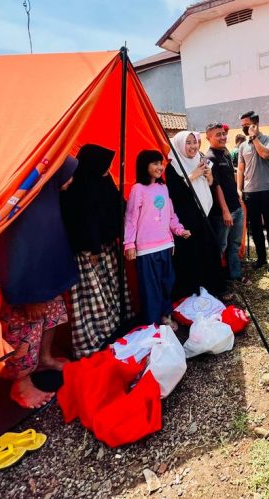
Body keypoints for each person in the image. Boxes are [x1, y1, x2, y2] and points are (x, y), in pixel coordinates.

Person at [0, 155, 80, 408]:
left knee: (54, 314)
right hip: (24, 285)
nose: (72, 182)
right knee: (26, 330)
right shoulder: (27, 202)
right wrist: (30, 294)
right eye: (70, 174)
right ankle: (21, 384)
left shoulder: (45, 197)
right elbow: (18, 248)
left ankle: (44, 358)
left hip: (44, 279)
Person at [60, 144, 133, 359]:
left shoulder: (103, 180)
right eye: (105, 165)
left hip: (107, 245)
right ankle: (95, 337)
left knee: (111, 289)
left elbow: (117, 203)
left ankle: (115, 325)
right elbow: (83, 219)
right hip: (88, 251)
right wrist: (92, 247)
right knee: (94, 295)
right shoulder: (78, 187)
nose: (108, 168)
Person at [124, 150, 191, 329]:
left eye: (160, 163)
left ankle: (165, 315)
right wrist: (129, 244)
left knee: (167, 283)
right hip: (146, 249)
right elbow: (131, 218)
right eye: (154, 163)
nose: (159, 167)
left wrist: (179, 230)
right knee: (150, 288)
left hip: (165, 245)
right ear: (144, 166)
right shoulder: (137, 189)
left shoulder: (163, 188)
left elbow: (170, 214)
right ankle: (152, 325)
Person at [165, 130, 225, 299]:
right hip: (186, 218)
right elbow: (174, 192)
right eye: (188, 143)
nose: (192, 146)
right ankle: (190, 291)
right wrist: (193, 175)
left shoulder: (200, 159)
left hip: (204, 215)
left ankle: (211, 288)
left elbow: (210, 186)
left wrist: (209, 177)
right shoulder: (173, 165)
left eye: (194, 142)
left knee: (208, 250)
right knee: (190, 254)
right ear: (179, 144)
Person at [238, 111, 269, 271]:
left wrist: (254, 138)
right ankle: (261, 258)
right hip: (250, 192)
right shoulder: (243, 146)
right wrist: (239, 189)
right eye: (242, 126)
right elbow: (241, 169)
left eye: (247, 125)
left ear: (255, 124)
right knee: (255, 228)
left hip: (267, 191)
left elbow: (265, 154)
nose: (244, 128)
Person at [205, 122, 246, 284]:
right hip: (222, 212)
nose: (222, 137)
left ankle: (234, 275)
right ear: (209, 138)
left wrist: (237, 192)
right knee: (220, 247)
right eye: (218, 135)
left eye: (223, 134)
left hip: (236, 207)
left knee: (234, 245)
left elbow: (229, 178)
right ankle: (217, 281)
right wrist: (225, 210)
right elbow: (215, 186)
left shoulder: (226, 153)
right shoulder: (209, 158)